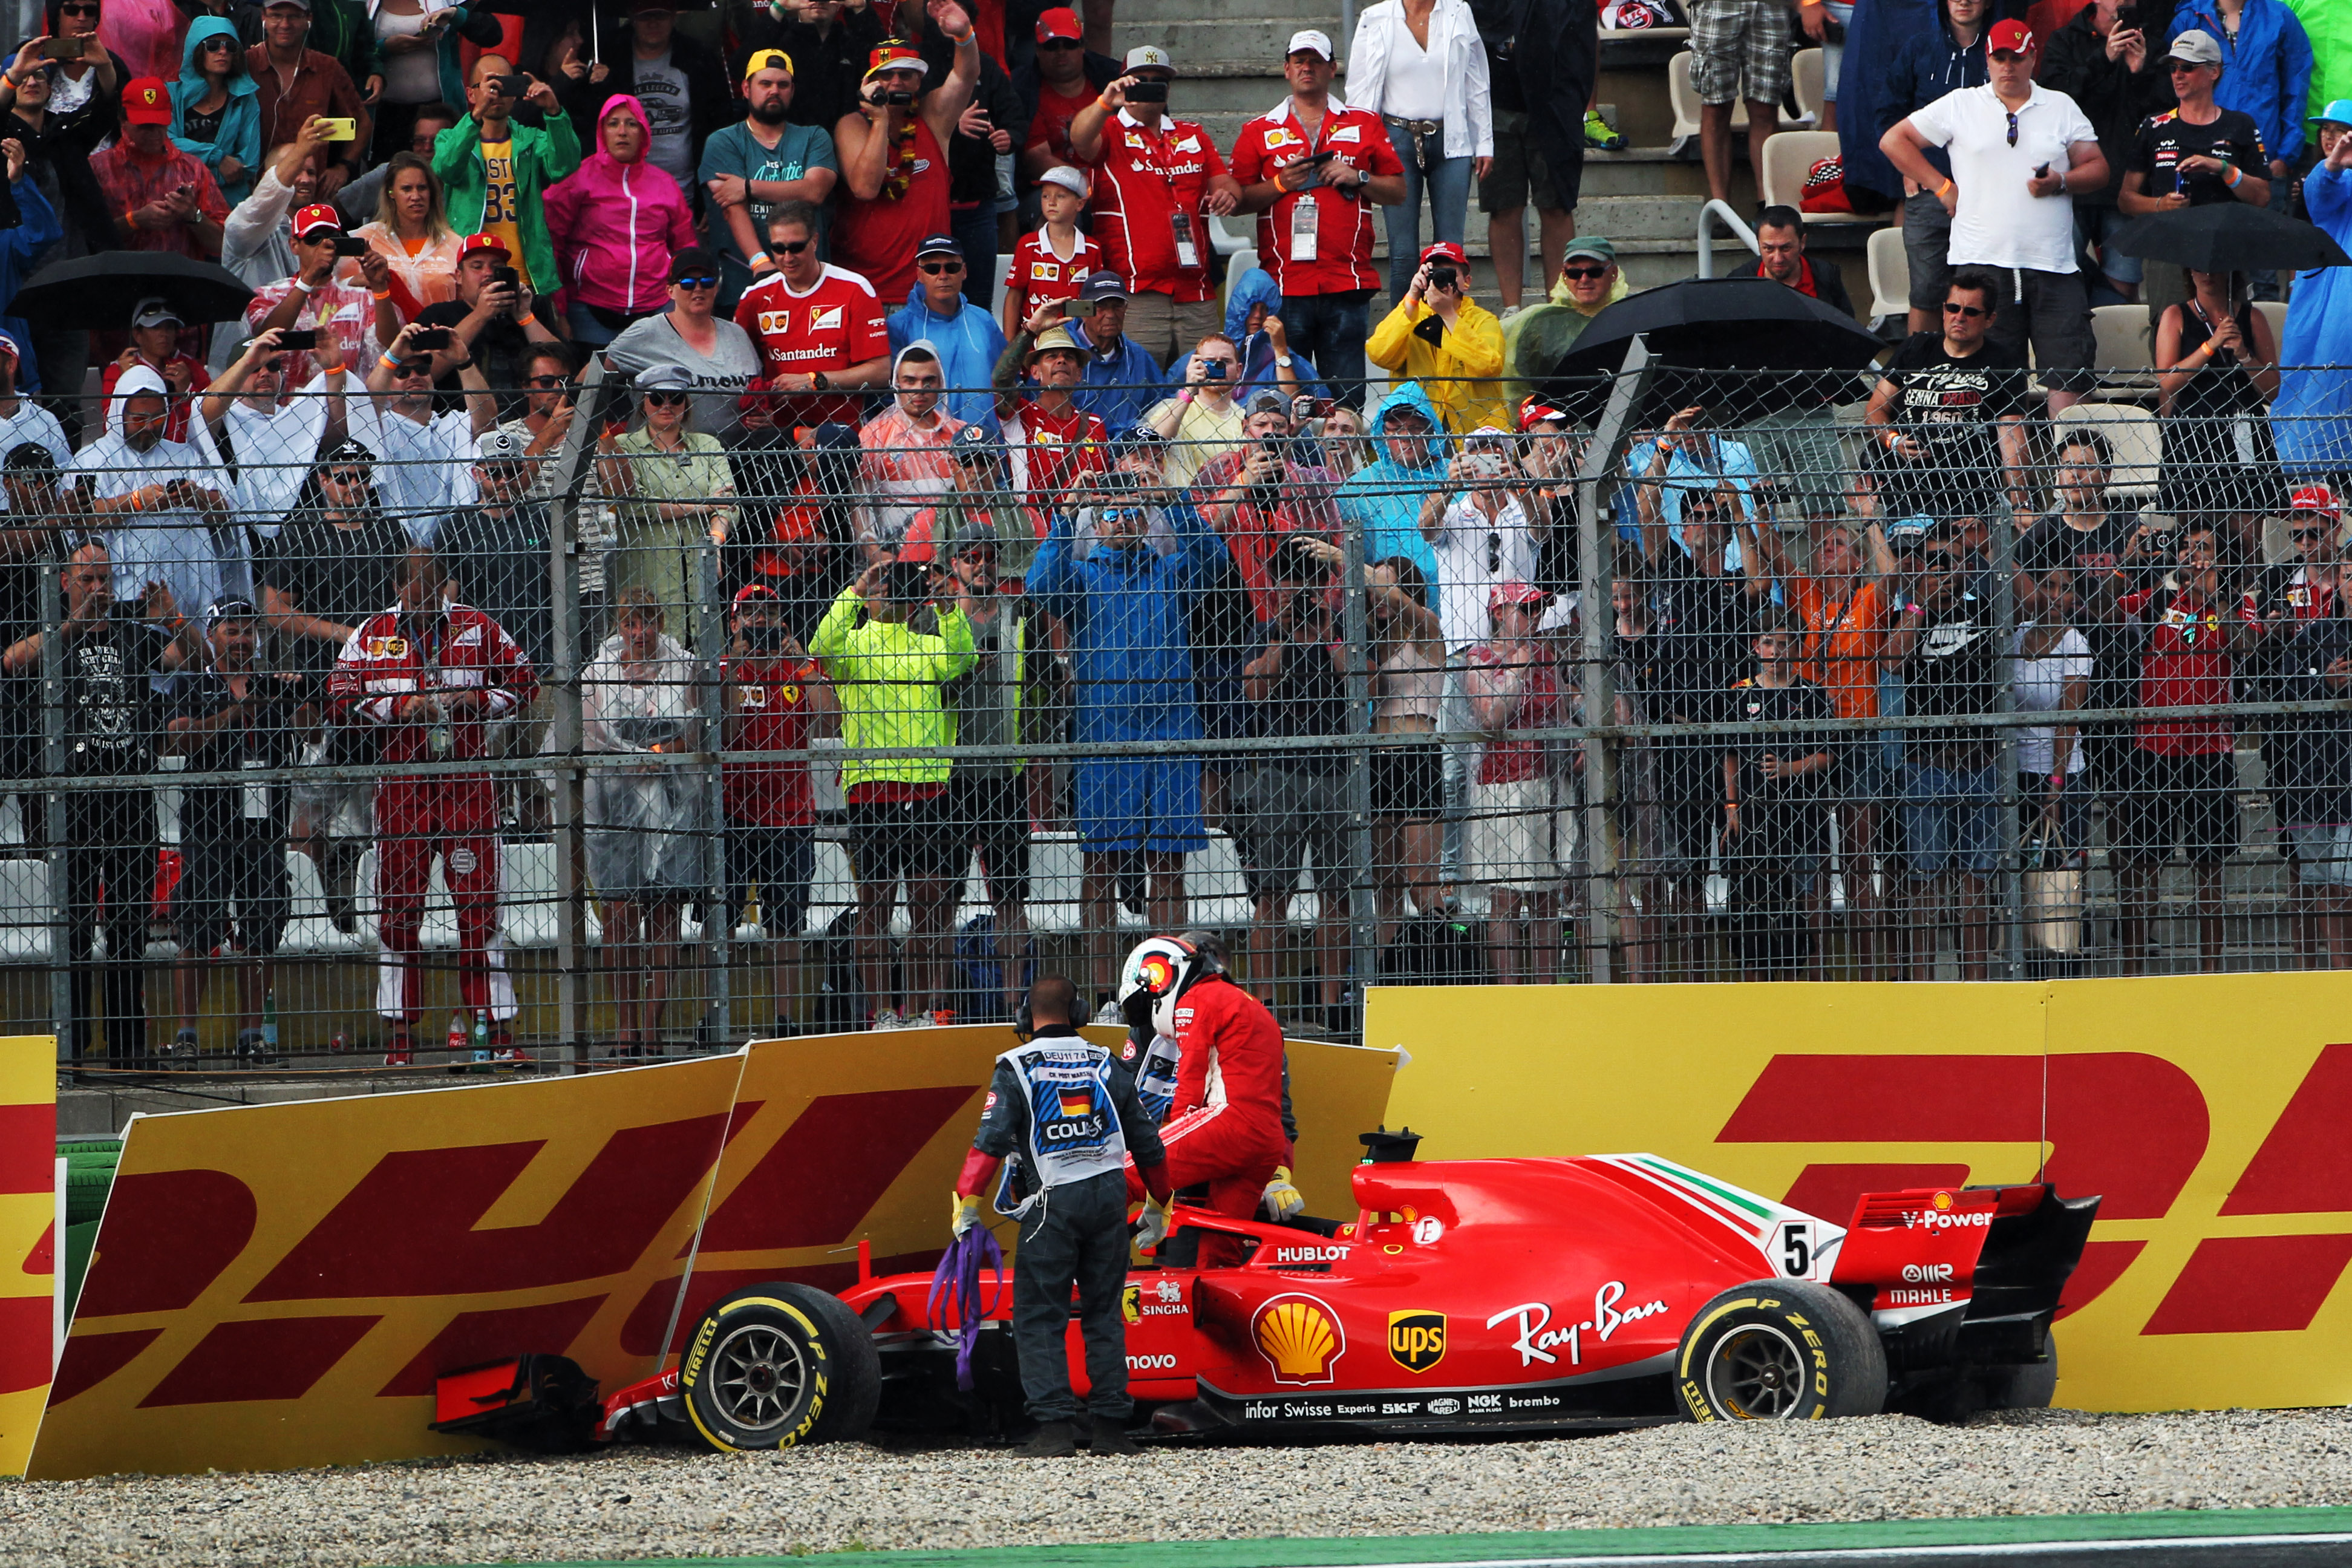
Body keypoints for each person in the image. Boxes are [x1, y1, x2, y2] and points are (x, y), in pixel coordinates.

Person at [330, 546, 536, 1066]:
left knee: (480, 911)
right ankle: (401, 1041)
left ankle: (497, 1033)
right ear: (398, 587)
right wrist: (398, 706)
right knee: (398, 914)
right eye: (413, 583)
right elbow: (337, 694)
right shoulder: (372, 633)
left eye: (433, 582)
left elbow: (526, 681)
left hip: (467, 791)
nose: (423, 592)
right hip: (401, 792)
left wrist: (479, 701)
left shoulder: (477, 626)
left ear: (447, 583)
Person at [951, 971, 1170, 1459]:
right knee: (1103, 1313)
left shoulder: (1014, 1065)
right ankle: (1112, 1429)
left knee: (1039, 1315)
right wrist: (1159, 1201)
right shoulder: (1105, 1062)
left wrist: (968, 1202)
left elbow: (989, 1142)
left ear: (1026, 1018)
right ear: (1079, 1016)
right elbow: (1148, 1141)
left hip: (1051, 1201)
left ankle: (1054, 1430)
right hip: (1111, 1198)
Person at [1025, 479, 1223, 1013]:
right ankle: (1105, 995)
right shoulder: (1082, 577)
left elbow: (1216, 565)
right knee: (1101, 868)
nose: (1122, 522)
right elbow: (1039, 590)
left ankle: (1167, 992)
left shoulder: (1170, 570)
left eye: (1133, 513)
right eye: (1110, 514)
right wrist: (1067, 515)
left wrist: (1175, 503)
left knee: (1168, 868)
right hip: (1104, 740)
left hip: (1171, 736)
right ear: (1096, 523)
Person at [1, 541, 198, 1069]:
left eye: (106, 580)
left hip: (130, 795)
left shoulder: (133, 634)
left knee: (129, 926)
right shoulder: (56, 638)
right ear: (66, 584)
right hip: (75, 800)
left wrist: (174, 619)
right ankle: (72, 1045)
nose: (100, 590)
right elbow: (12, 662)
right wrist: (74, 625)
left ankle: (127, 1044)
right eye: (88, 580)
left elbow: (201, 660)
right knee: (75, 926)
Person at [1881, 19, 2106, 411]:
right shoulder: (1961, 103)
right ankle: (2005, 474)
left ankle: (2070, 471)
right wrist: (1942, 187)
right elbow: (1893, 140)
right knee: (1993, 389)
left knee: (2070, 380)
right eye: (1999, 57)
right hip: (1982, 266)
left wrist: (2061, 181)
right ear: (1987, 59)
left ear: (2032, 58)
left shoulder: (2060, 105)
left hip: (2052, 265)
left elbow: (2099, 168)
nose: (2007, 66)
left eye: (2016, 58)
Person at [810, 556, 976, 1030]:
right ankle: (883, 1012)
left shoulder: (926, 645)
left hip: (926, 787)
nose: (892, 593)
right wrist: (858, 587)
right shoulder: (855, 644)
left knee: (931, 899)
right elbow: (822, 644)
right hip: (872, 788)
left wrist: (946, 608)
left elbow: (964, 659)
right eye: (885, 585)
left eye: (897, 587)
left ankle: (927, 1008)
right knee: (876, 903)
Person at [254, 438, 408, 932]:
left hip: (385, 691)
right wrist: (344, 633)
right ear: (323, 481)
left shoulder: (388, 531)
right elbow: (274, 610)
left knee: (385, 814)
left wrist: (385, 632)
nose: (355, 486)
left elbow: (423, 584)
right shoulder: (299, 533)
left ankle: (383, 909)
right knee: (310, 812)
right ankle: (318, 912)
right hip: (322, 691)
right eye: (343, 477)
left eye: (362, 476)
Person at [2101, 518, 2250, 970]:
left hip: (2210, 751)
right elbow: (2106, 608)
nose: (2191, 556)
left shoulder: (2236, 606)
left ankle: (2210, 970)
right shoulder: (2159, 600)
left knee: (2210, 867)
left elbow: (2245, 644)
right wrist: (2125, 563)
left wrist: (2214, 593)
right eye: (2186, 548)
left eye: (2203, 549)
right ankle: (2133, 968)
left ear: (2222, 560)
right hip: (2153, 749)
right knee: (2142, 864)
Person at [1228, 30, 1406, 407]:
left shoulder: (1365, 122)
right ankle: (1291, 467)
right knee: (1285, 400)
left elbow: (1398, 191)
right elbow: (1238, 200)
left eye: (1316, 60)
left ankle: (1342, 467)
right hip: (1285, 285)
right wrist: (1279, 183)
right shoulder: (1258, 129)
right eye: (1299, 60)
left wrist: (1357, 176)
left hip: (1347, 280)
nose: (1307, 67)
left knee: (1346, 403)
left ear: (1332, 69)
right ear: (1286, 70)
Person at [164, 597, 300, 1060]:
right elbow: (178, 736)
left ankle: (252, 1036)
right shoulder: (194, 682)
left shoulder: (272, 684)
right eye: (231, 631)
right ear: (213, 634)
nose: (241, 640)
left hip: (265, 824)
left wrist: (299, 700)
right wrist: (234, 715)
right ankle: (186, 1036)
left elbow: (313, 736)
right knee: (198, 926)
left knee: (261, 927)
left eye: (248, 631)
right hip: (208, 821)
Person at [582, 586, 707, 1057]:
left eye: (648, 622)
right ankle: (626, 1027)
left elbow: (696, 728)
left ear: (661, 623)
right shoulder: (598, 673)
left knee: (663, 915)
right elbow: (588, 737)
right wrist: (626, 759)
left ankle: (652, 1027)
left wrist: (660, 753)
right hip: (615, 805)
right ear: (618, 625)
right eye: (630, 623)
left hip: (673, 800)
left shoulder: (684, 666)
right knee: (618, 917)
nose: (640, 633)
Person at [1235, 532, 1354, 1025]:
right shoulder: (1266, 628)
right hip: (1280, 771)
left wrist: (1324, 634)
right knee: (1272, 895)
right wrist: (1285, 636)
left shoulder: (1341, 626)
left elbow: (1360, 681)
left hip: (1335, 770)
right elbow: (1256, 691)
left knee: (1336, 894)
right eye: (1288, 580)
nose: (1298, 589)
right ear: (1275, 583)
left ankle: (1331, 1002)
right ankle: (1266, 1003)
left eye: (1309, 580)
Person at [1113, 932, 1287, 1269]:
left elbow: (1190, 1086)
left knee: (1117, 1177)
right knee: (1221, 1253)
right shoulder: (1247, 1002)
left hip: (1229, 1121)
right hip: (1267, 1143)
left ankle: (1082, 1273)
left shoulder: (1198, 1000)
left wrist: (1159, 1180)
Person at [1068, 44, 1241, 365]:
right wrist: (1106, 102)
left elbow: (1225, 182)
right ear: (1123, 83)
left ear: (1169, 88)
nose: (1150, 85)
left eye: (1158, 79)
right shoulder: (1109, 130)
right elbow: (1078, 139)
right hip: (1137, 292)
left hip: (1196, 291)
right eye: (1140, 79)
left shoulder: (1194, 134)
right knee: (1141, 391)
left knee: (1204, 391)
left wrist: (1228, 194)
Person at [1883, 520, 2002, 979]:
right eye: (1933, 562)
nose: (1943, 571)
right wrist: (1920, 605)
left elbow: (2027, 603)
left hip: (1979, 764)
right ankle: (1926, 987)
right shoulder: (1908, 611)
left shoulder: (1986, 607)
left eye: (1951, 561)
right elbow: (1892, 661)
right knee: (1925, 881)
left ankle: (1975, 984)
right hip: (1925, 766)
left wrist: (1981, 555)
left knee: (1976, 880)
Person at [939, 518, 1040, 1020]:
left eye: (988, 556)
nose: (981, 564)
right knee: (940, 894)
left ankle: (1011, 1002)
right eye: (970, 556)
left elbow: (1044, 689)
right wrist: (965, 668)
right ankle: (939, 1007)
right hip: (952, 774)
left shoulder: (1017, 616)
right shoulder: (939, 620)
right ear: (954, 565)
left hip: (1006, 772)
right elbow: (928, 688)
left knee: (1011, 897)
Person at [2251, 485, 2352, 967]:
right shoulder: (2276, 582)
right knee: (2300, 858)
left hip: (2342, 738)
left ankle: (2336, 966)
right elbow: (2249, 659)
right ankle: (2306, 964)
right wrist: (2267, 637)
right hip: (2292, 737)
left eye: (2315, 533)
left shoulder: (2350, 583)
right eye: (2298, 535)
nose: (2306, 544)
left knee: (2341, 867)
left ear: (2336, 529)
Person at [722, 581, 830, 1032]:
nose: (761, 620)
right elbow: (723, 732)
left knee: (785, 924)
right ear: (734, 623)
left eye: (769, 612)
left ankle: (785, 1020)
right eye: (751, 613)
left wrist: (803, 664)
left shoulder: (799, 667)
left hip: (791, 813)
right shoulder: (727, 667)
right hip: (732, 811)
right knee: (720, 919)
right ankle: (718, 1012)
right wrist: (736, 666)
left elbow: (829, 721)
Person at [1341, 2, 1491, 305]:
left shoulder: (1458, 11)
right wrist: (1360, 146)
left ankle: (1448, 338)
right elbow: (1359, 91)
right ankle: (1405, 340)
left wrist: (1484, 141)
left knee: (1451, 251)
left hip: (1452, 134)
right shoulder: (1375, 17)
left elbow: (1476, 80)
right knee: (1403, 253)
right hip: (1395, 135)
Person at [833, 10, 983, 307]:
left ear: (919, 81)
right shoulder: (851, 125)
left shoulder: (932, 117)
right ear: (870, 81)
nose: (896, 82)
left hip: (928, 293)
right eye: (886, 75)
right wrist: (879, 120)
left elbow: (966, 75)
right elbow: (866, 188)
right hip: (869, 293)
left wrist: (964, 33)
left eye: (905, 74)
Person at [2119, 29, 2269, 321]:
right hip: (2168, 249)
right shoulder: (2155, 126)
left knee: (2229, 333)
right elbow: (2126, 199)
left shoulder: (2239, 125)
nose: (2178, 75)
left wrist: (2224, 170)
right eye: (2173, 68)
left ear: (2214, 71)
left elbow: (2262, 196)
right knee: (2169, 335)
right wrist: (2162, 205)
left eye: (2187, 67)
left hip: (2223, 251)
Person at [1863, 270, 2034, 524]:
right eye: (1953, 308)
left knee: (1961, 556)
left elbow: (2012, 437)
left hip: (1970, 492)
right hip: (1908, 489)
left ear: (1990, 319)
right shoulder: (1915, 348)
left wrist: (2021, 503)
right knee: (1911, 558)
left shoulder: (2005, 362)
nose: (1960, 317)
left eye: (1972, 311)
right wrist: (1893, 440)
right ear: (1943, 311)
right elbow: (1875, 410)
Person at [2169, 0, 2314, 295]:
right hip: (2203, 160)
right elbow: (2174, 85)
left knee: (2264, 273)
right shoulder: (2189, 16)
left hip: (2265, 159)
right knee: (2203, 268)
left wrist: (2285, 155)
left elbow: (2296, 88)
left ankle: (2259, 339)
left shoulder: (2279, 16)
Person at [1721, 606, 1835, 979]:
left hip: (1802, 810)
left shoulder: (1813, 694)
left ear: (1799, 649)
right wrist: (1732, 806)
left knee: (1806, 892)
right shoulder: (1741, 693)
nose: (1777, 652)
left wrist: (1788, 769)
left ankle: (1812, 975)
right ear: (1757, 646)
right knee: (1753, 897)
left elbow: (1828, 754)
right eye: (1770, 643)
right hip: (1754, 814)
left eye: (1786, 644)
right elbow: (1729, 755)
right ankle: (1753, 978)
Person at [75, 367, 242, 618]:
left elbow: (226, 509)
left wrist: (196, 496)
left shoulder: (183, 455)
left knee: (192, 650)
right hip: (126, 588)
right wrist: (136, 502)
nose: (149, 427)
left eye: (158, 418)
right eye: (139, 419)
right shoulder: (92, 459)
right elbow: (79, 518)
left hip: (189, 581)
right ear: (121, 413)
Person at [2039, 0, 2172, 303]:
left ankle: (2114, 346)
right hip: (2072, 183)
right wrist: (2105, 58)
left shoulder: (2153, 45)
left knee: (2124, 285)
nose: (2124, 2)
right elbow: (2052, 100)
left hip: (2126, 186)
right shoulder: (2065, 40)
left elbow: (2166, 115)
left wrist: (2140, 74)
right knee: (2058, 277)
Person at [1875, 0, 1994, 335]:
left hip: (1986, 196)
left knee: (1981, 295)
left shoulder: (2000, 52)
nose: (1964, 1)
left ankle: (1975, 379)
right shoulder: (1919, 48)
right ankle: (1920, 380)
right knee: (1926, 294)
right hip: (1929, 191)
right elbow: (1887, 118)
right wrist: (1912, 167)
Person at [601, 362, 736, 648]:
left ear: (686, 403)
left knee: (706, 660)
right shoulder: (624, 447)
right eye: (657, 398)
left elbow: (729, 505)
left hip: (700, 573)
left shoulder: (707, 445)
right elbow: (637, 506)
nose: (666, 405)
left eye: (675, 398)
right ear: (642, 403)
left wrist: (714, 543)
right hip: (647, 573)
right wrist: (704, 505)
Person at [545, 93, 697, 347]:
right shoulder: (577, 177)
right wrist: (559, 306)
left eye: (632, 123)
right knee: (593, 384)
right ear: (602, 131)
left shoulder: (665, 183)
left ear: (644, 132)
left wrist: (685, 302)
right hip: (588, 309)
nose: (622, 132)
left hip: (657, 307)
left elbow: (686, 248)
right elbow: (550, 242)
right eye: (613, 123)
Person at [732, 198, 893, 432]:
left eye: (796, 247)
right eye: (778, 248)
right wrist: (758, 410)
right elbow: (737, 370)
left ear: (815, 241)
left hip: (839, 436)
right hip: (778, 436)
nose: (787, 258)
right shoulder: (755, 297)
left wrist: (815, 381)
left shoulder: (855, 288)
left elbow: (880, 372)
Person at [433, 54, 581, 305]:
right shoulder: (450, 138)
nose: (496, 93)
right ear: (471, 94)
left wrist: (554, 112)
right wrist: (476, 116)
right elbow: (445, 169)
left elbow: (564, 167)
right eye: (489, 85)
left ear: (516, 92)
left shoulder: (532, 140)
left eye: (504, 85)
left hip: (527, 275)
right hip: (471, 275)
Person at [699, 49, 840, 312]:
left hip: (810, 287)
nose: (774, 91)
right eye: (765, 84)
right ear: (746, 88)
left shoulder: (814, 137)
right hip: (745, 283)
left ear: (792, 91)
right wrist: (760, 263)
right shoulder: (724, 141)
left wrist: (748, 187)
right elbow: (731, 206)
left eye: (783, 85)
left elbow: (815, 191)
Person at [2155, 265, 2285, 552]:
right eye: (2199, 268)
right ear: (2189, 273)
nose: (2208, 274)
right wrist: (2210, 345)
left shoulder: (2252, 317)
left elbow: (2273, 389)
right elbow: (2167, 379)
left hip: (2244, 427)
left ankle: (2247, 594)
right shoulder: (2175, 315)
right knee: (2193, 537)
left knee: (2248, 534)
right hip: (2193, 429)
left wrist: (2244, 355)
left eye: (2215, 267)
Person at [561, 0, 731, 204]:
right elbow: (589, 123)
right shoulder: (607, 57)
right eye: (644, 16)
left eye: (660, 15)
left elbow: (720, 124)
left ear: (674, 15)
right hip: (622, 195)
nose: (653, 23)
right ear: (632, 17)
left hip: (686, 194)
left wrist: (707, 193)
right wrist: (603, 85)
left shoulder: (699, 59)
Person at [2010, 561, 2094, 969]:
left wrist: (2055, 786)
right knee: (2023, 872)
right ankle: (2026, 965)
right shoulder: (2017, 636)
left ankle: (2065, 967)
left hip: (2061, 775)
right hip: (2016, 773)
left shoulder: (2076, 647)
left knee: (2058, 874)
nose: (2056, 597)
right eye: (2048, 586)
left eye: (2065, 589)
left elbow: (2067, 721)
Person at [1362, 552, 1448, 939]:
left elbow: (1401, 604)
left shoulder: (1428, 633)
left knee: (1420, 881)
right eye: (1371, 589)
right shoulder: (1369, 642)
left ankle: (1441, 964)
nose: (1378, 597)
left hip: (1416, 756)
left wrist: (1344, 559)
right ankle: (1383, 978)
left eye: (1386, 586)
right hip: (1378, 758)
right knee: (1386, 888)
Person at [349, 316, 495, 542]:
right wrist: (393, 355)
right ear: (388, 385)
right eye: (402, 373)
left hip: (455, 545)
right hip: (398, 546)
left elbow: (487, 418)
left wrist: (463, 361)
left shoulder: (453, 424)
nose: (414, 377)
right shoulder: (381, 425)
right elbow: (366, 407)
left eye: (422, 369)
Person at [1475, 0, 1577, 316]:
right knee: (1503, 207)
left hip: (1552, 106)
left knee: (1556, 205)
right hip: (1494, 104)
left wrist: (1581, 103)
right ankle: (1512, 309)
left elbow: (1585, 41)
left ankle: (1558, 305)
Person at [197, 325, 351, 533]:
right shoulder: (223, 418)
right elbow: (204, 410)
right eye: (254, 368)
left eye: (273, 365)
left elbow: (340, 434)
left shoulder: (294, 417)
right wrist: (248, 361)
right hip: (242, 535)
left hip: (298, 537)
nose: (264, 373)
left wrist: (334, 369)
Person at [607, 247, 764, 442]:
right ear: (670, 291)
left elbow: (759, 393)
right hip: (667, 457)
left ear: (716, 288)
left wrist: (763, 416)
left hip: (737, 453)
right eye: (688, 283)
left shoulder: (737, 333)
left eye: (706, 282)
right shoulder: (645, 332)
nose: (698, 289)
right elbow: (592, 377)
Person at [2275, 100, 2352, 479]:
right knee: (2312, 374)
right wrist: (2335, 166)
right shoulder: (2330, 176)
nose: (2329, 137)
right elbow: (2320, 197)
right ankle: (2308, 469)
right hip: (2323, 296)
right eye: (2325, 130)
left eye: (2341, 131)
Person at [242, 198, 393, 390]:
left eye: (331, 237)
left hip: (344, 407)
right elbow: (269, 338)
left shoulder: (362, 298)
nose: (324, 245)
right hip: (284, 411)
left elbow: (390, 347)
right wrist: (309, 278)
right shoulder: (267, 295)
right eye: (314, 239)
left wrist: (380, 287)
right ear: (294, 245)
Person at [1367, 241, 1509, 434]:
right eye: (1434, 274)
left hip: (1475, 432)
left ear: (1467, 281)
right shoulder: (1409, 316)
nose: (1442, 280)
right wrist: (1411, 297)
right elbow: (1378, 354)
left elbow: (1489, 366)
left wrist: (1448, 315)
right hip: (1418, 429)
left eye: (1449, 274)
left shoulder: (1483, 320)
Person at [93, 75, 229, 257]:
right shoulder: (99, 168)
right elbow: (84, 239)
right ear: (122, 121)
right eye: (145, 126)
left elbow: (224, 245)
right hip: (118, 278)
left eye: (160, 123)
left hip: (180, 279)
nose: (154, 133)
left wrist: (192, 214)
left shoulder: (193, 169)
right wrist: (134, 221)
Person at [1340, 382, 1449, 598]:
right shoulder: (1360, 488)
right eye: (1396, 429)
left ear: (1431, 430)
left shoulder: (1456, 477)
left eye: (1415, 428)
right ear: (1383, 434)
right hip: (1389, 609)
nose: (1405, 437)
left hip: (1457, 599)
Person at [992, 322, 1108, 524]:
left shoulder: (1095, 424)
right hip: (1034, 533)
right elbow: (1000, 379)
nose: (1061, 360)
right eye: (1052, 356)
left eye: (1069, 357)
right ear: (1035, 372)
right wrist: (1030, 330)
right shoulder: (1020, 413)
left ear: (1079, 374)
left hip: (1086, 531)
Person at [889, 231, 1008, 425]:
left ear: (964, 271)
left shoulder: (984, 320)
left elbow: (1006, 380)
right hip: (927, 448)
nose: (943, 276)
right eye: (933, 269)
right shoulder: (899, 326)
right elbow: (889, 395)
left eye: (951, 267)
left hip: (986, 446)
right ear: (919, 274)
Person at [858, 341, 965, 557]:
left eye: (929, 381)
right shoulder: (874, 436)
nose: (920, 390)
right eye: (910, 381)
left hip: (954, 553)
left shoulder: (960, 435)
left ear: (940, 383)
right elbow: (862, 506)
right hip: (896, 554)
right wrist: (873, 553)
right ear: (897, 383)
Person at [1498, 233, 1626, 408]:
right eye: (1575, 273)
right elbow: (1517, 386)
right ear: (1564, 275)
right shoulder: (1539, 321)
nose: (1584, 279)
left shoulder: (1635, 314)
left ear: (1613, 273)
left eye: (1594, 272)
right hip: (1552, 424)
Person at [247, 0, 368, 184]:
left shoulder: (327, 68)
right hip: (253, 189)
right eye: (276, 16)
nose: (285, 24)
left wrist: (343, 167)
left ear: (308, 19)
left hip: (310, 190)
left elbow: (363, 123)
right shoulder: (246, 64)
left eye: (294, 16)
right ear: (263, 16)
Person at [367, 1, 497, 168]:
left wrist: (455, 15)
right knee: (388, 177)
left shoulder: (447, 1)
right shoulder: (363, 4)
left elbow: (492, 34)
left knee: (443, 173)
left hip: (439, 111)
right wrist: (385, 48)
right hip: (384, 115)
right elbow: (352, 51)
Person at [1688, 0, 1788, 205]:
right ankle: (1721, 207)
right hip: (1717, 7)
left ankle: (1767, 206)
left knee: (1765, 108)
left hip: (1772, 6)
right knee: (1716, 107)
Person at [342, 147, 460, 317]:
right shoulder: (365, 239)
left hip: (441, 338)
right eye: (407, 189)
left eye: (422, 188)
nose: (416, 196)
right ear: (391, 193)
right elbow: (335, 294)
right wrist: (354, 282)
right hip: (382, 341)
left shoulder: (455, 244)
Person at [999, 162, 1099, 336]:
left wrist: (1068, 311)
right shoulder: (1028, 245)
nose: (1051, 202)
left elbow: (1094, 302)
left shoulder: (1092, 249)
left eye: (1060, 196)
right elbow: (1014, 298)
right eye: (1045, 196)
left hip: (1078, 342)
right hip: (1033, 343)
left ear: (1080, 204)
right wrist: (1009, 346)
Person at [169, 16, 260, 205]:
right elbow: (165, 144)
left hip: (229, 202)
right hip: (174, 196)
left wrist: (203, 178)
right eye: (213, 45)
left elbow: (248, 164)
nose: (223, 51)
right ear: (197, 49)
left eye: (230, 46)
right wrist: (218, 157)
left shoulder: (245, 99)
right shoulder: (171, 95)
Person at [1139, 330, 1244, 492]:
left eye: (1225, 361)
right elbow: (1152, 445)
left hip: (1231, 506)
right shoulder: (1171, 408)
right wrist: (1189, 390)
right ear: (1196, 365)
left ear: (1238, 370)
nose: (1218, 366)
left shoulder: (1246, 418)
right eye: (1210, 362)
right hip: (1179, 505)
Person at [335, 97, 456, 227]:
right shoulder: (388, 174)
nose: (427, 148)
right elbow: (335, 210)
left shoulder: (470, 180)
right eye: (420, 140)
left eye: (437, 141)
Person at [102, 297, 208, 442]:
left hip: (186, 451)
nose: (164, 334)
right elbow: (111, 427)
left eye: (169, 327)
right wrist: (128, 383)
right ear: (137, 335)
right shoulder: (117, 369)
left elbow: (214, 414)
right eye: (155, 327)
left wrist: (188, 391)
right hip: (135, 451)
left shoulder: (188, 366)